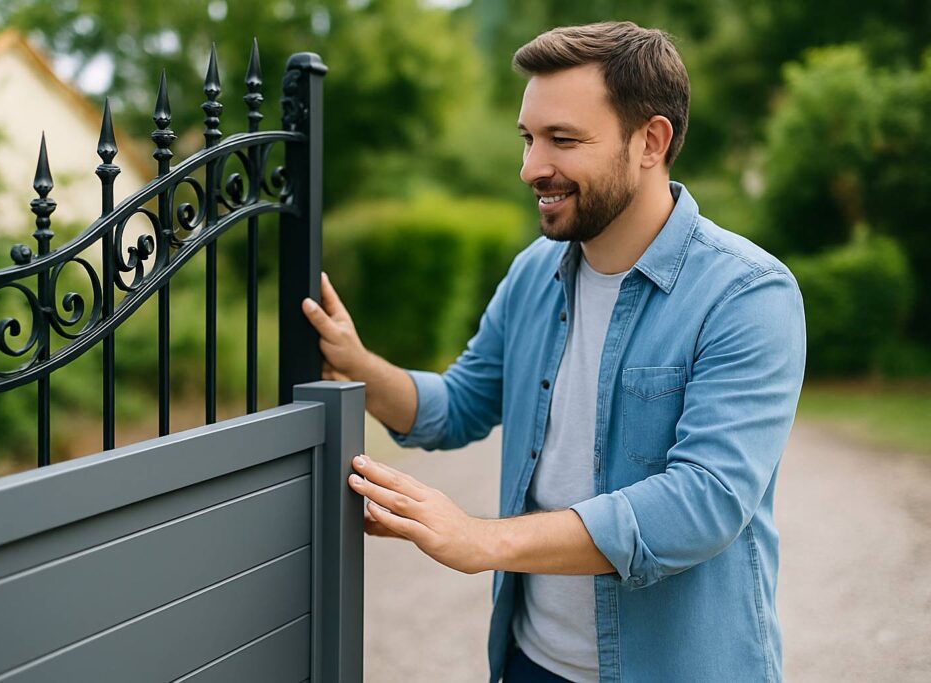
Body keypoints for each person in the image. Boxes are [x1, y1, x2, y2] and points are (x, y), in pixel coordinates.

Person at [301, 21, 805, 683]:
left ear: (650, 141)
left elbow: (702, 502)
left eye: (562, 140)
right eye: (529, 137)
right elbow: (459, 404)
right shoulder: (533, 272)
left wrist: (483, 539)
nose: (531, 167)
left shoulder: (747, 294)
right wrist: (360, 364)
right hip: (531, 662)